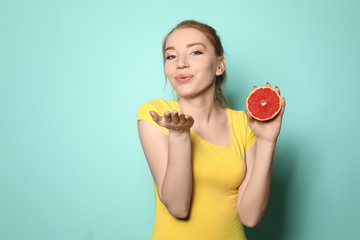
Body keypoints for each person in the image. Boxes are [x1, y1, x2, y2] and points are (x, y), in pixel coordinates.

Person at [137, 20, 285, 240]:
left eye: (195, 52)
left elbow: (250, 217)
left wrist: (267, 142)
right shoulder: (156, 115)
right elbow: (178, 207)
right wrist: (179, 135)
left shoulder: (244, 124)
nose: (181, 63)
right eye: (171, 56)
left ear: (219, 65)